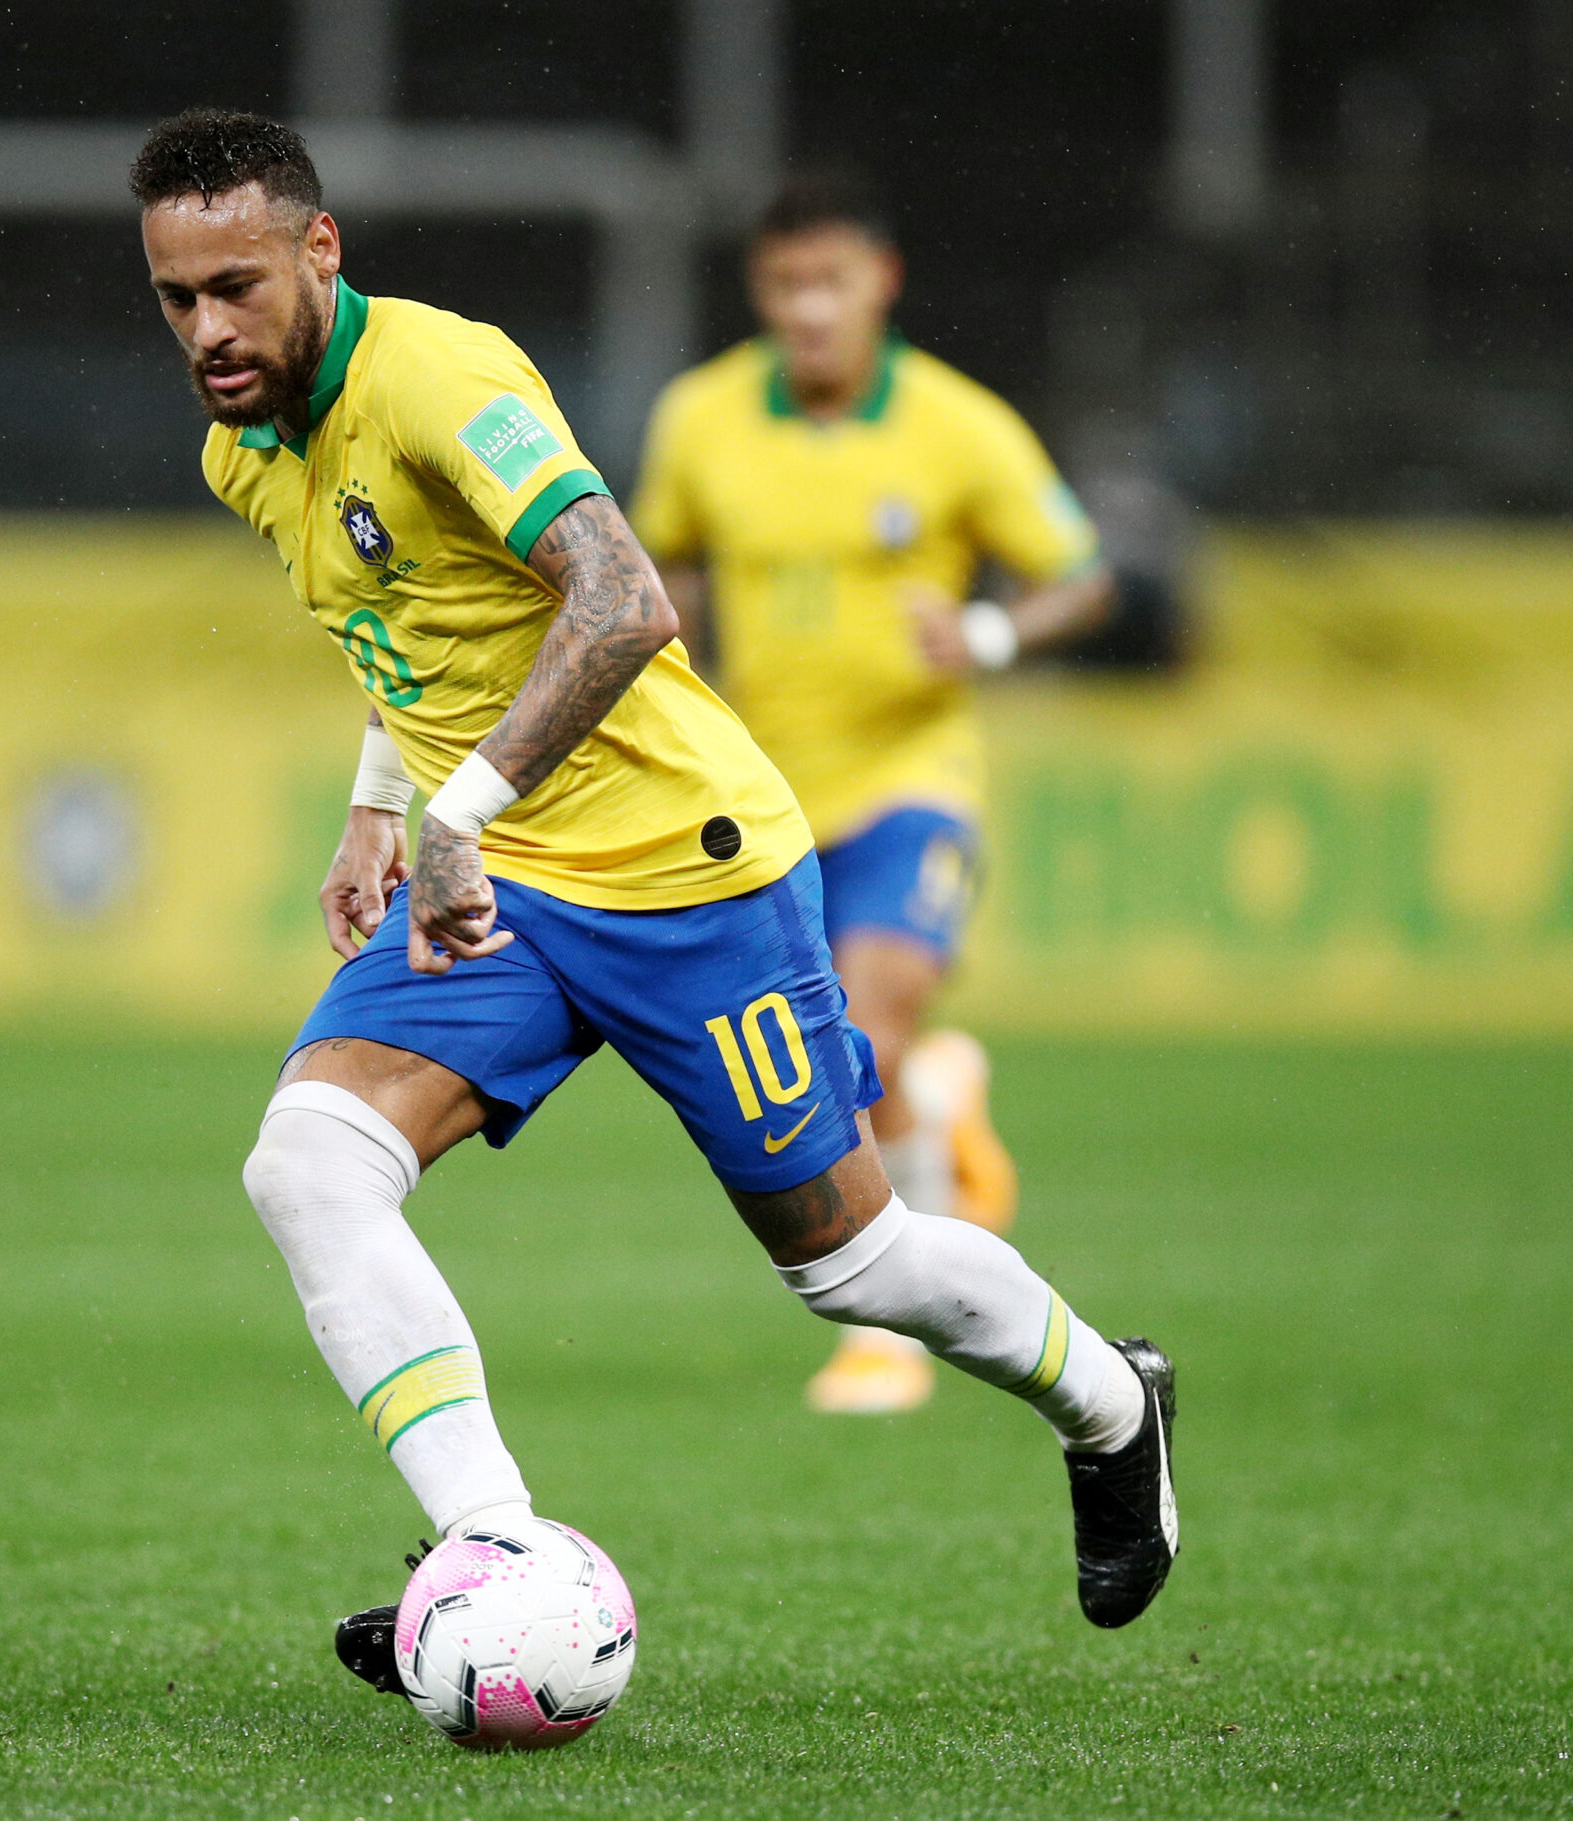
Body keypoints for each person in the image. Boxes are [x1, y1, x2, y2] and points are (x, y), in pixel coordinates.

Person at [129, 108, 1179, 1687]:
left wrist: (457, 812)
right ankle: (494, 1545)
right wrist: (378, 811)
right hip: (508, 888)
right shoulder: (243, 447)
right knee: (309, 1163)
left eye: (237, 284)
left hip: (690, 870)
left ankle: (1113, 1402)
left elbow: (623, 594)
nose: (209, 328)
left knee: (853, 1268)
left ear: (319, 252)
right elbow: (415, 621)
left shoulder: (437, 376)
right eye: (175, 296)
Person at [631, 170, 1115, 1415]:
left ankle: (893, 1334)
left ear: (880, 283)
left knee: (870, 1035)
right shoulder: (701, 418)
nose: (806, 310)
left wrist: (989, 638)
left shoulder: (957, 426)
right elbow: (660, 575)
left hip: (913, 783)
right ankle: (944, 1115)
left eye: (829, 281)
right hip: (761, 793)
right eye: (784, 284)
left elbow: (1080, 573)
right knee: (832, 1058)